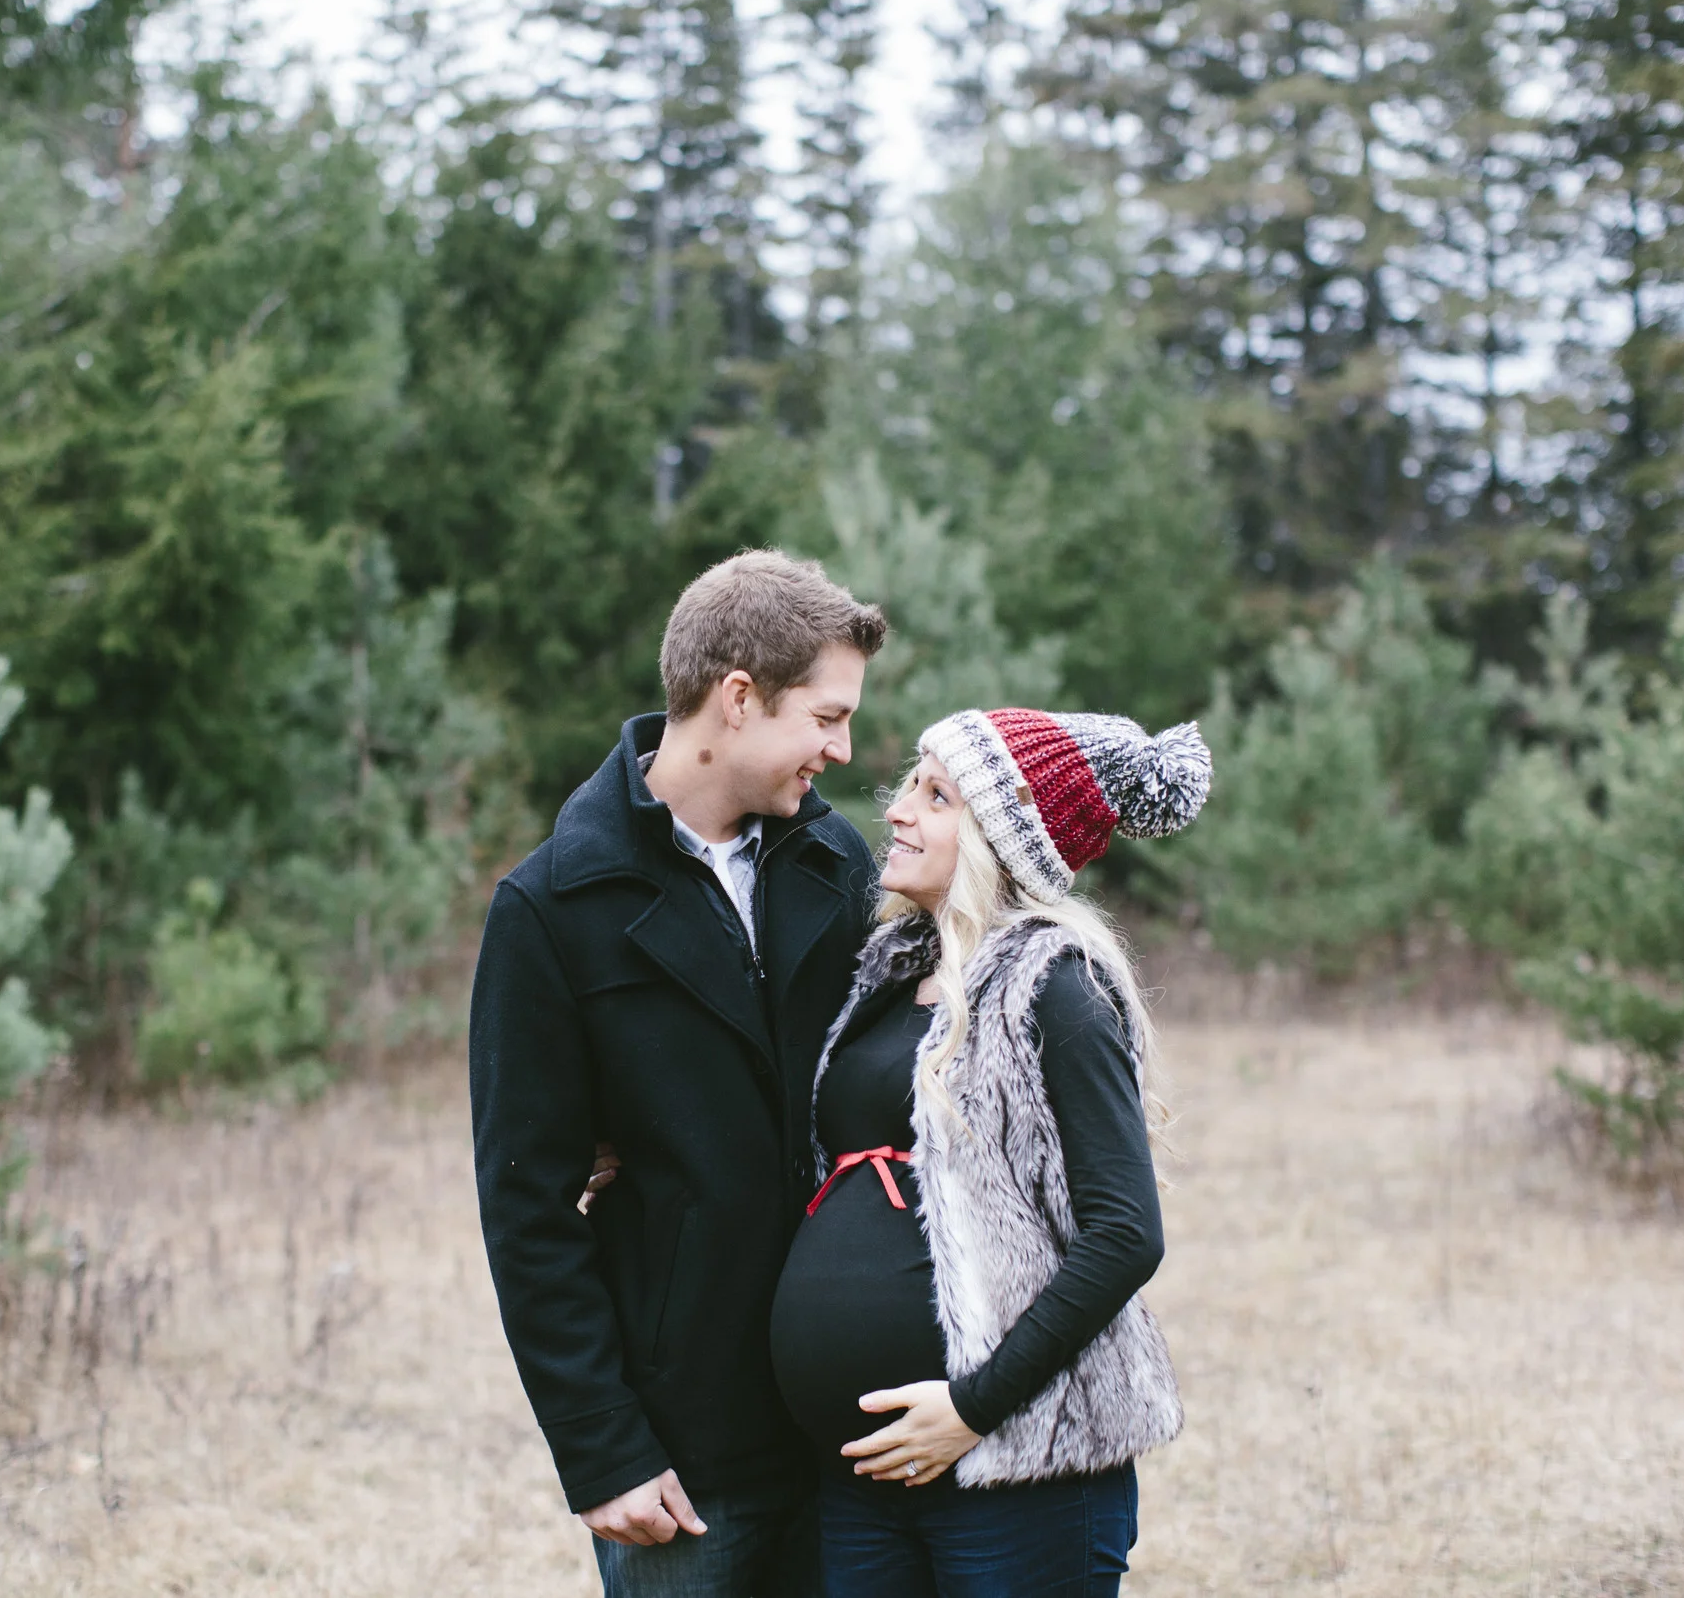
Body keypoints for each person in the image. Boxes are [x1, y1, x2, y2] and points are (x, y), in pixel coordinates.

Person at [469, 551, 890, 1598]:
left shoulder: (841, 867)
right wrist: (601, 1446)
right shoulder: (552, 908)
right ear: (738, 698)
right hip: (687, 1456)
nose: (842, 749)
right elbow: (526, 1208)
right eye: (826, 717)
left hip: (857, 1426)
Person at [768, 706, 1211, 1597]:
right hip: (863, 1479)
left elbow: (1125, 1232)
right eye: (911, 784)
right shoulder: (887, 972)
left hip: (1015, 1475)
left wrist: (972, 1407)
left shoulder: (1056, 985)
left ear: (1002, 840)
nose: (898, 809)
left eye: (938, 796)